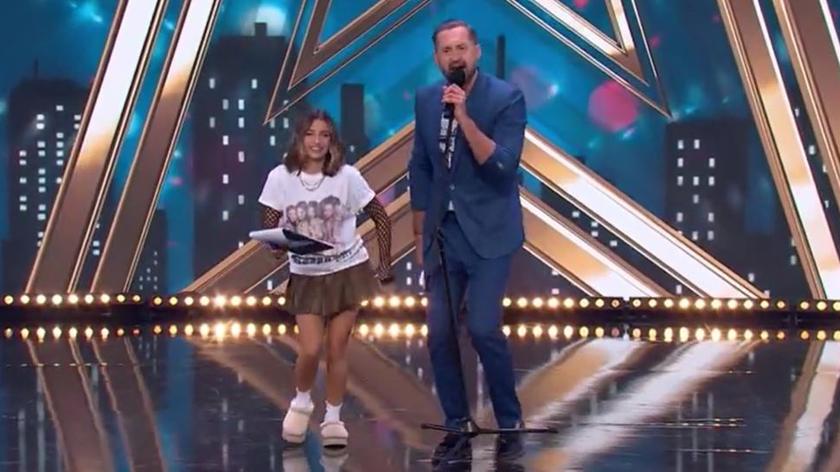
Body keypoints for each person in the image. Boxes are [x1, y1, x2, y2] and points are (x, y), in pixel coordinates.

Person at [408, 19, 527, 463]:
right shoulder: (426, 100)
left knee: (481, 327)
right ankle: (457, 421)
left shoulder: (506, 98)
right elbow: (421, 165)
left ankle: (509, 418)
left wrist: (464, 117)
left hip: (491, 231)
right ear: (437, 58)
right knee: (439, 332)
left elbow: (503, 167)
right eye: (446, 50)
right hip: (444, 233)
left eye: (461, 48)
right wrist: (419, 231)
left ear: (476, 51)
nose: (454, 56)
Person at [258, 109, 394, 449]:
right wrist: (277, 249)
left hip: (348, 271)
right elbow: (270, 226)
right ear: (299, 138)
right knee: (310, 348)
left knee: (337, 348)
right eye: (310, 134)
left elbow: (381, 217)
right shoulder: (280, 177)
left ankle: (333, 418)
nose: (317, 141)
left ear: (332, 141)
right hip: (307, 275)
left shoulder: (347, 176)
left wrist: (385, 265)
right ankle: (301, 402)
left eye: (324, 135)